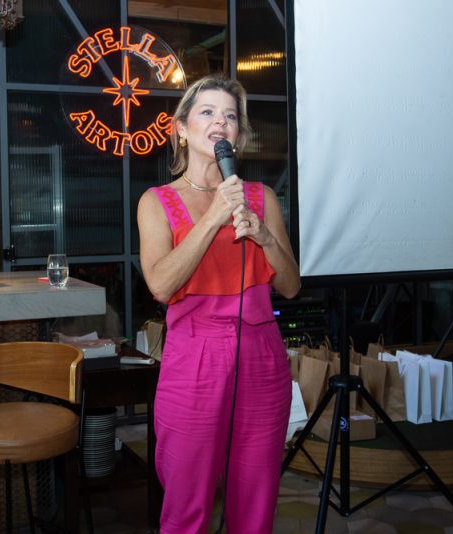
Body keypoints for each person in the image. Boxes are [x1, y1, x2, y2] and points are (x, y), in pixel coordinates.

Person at [137, 74, 300, 533]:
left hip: (262, 356)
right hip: (195, 360)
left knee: (255, 504)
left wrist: (265, 236)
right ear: (182, 128)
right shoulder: (156, 201)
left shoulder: (262, 198)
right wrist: (212, 219)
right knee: (187, 505)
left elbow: (290, 287)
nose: (220, 123)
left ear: (239, 135)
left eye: (230, 116)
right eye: (207, 112)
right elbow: (161, 286)